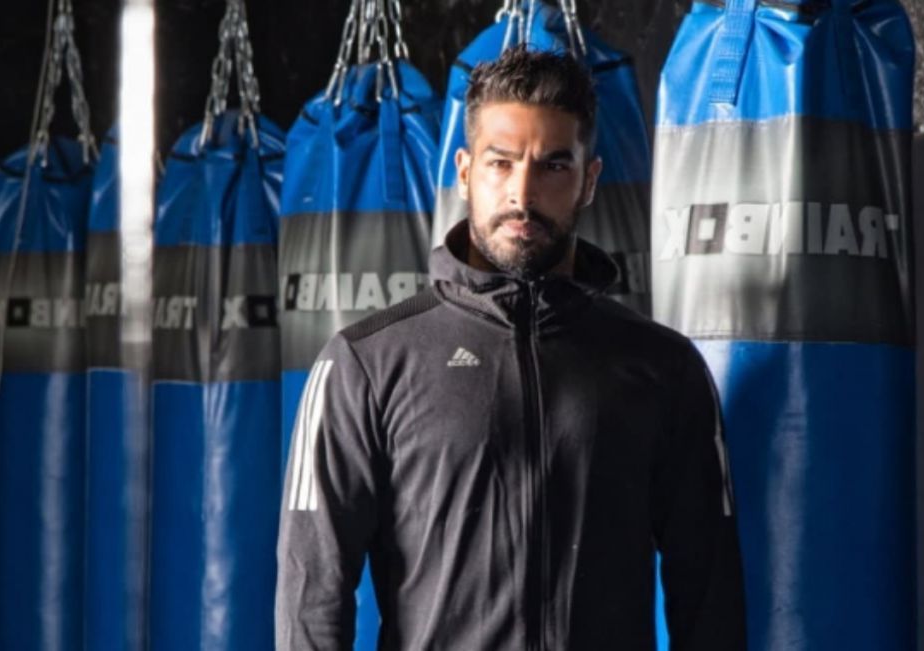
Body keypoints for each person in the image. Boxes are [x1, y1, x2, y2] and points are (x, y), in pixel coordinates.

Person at [276, 46, 746, 650]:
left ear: (589, 180)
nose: (523, 194)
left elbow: (708, 593)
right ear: (465, 170)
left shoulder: (663, 368)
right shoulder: (365, 362)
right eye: (501, 163)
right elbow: (312, 592)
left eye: (553, 166)